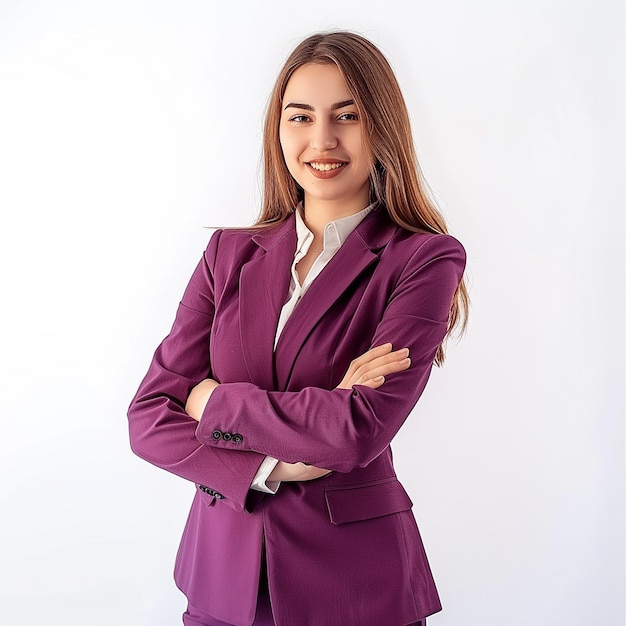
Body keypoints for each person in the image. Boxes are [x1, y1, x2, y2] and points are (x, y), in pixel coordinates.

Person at [128, 30, 469, 626]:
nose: (322, 140)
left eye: (347, 116)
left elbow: (357, 431)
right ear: (277, 129)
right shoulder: (227, 255)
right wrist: (274, 465)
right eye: (300, 116)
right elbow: (149, 416)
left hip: (357, 588)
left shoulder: (423, 259)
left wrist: (212, 401)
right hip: (221, 583)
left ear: (382, 126)